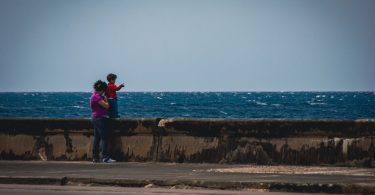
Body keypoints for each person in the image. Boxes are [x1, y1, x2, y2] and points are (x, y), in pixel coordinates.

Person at [90, 80, 116, 163]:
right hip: (100, 119)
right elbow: (106, 106)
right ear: (102, 89)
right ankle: (105, 157)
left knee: (97, 138)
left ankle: (95, 157)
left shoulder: (94, 96)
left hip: (96, 118)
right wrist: (106, 99)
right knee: (104, 138)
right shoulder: (97, 97)